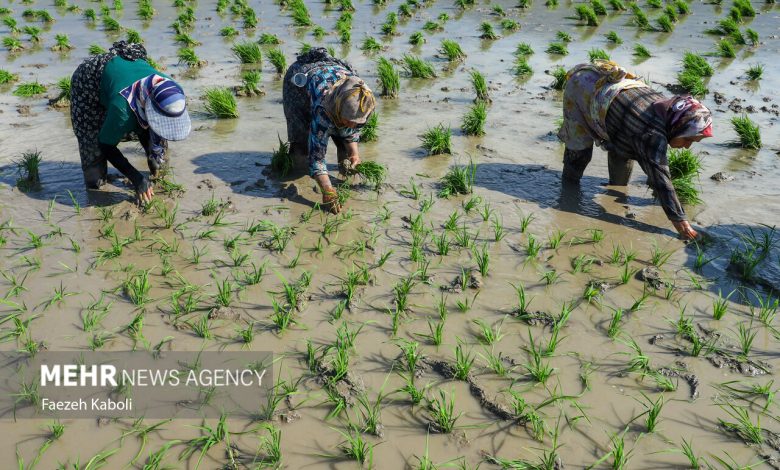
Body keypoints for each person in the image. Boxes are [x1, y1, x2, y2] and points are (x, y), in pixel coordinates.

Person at [558, 60, 713, 240]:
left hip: (616, 105)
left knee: (625, 148)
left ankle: (615, 187)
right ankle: (568, 190)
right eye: (687, 139)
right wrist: (682, 224)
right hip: (582, 88)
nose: (687, 146)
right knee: (579, 152)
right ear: (677, 126)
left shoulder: (667, 111)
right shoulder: (650, 133)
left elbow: (642, 150)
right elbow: (661, 180)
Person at [70, 41, 191, 204]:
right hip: (89, 81)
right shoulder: (122, 110)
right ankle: (98, 186)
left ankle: (155, 171)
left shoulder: (171, 89)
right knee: (95, 178)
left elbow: (156, 125)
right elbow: (106, 145)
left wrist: (153, 153)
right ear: (148, 109)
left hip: (126, 80)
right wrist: (136, 179)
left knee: (158, 159)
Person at [282, 47, 376, 213]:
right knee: (303, 149)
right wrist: (328, 191)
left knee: (344, 141)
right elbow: (317, 158)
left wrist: (354, 154)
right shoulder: (323, 110)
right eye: (349, 121)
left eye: (357, 122)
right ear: (338, 111)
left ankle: (343, 167)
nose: (354, 126)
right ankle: (298, 166)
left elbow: (352, 129)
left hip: (333, 74)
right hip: (299, 83)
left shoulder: (360, 98)